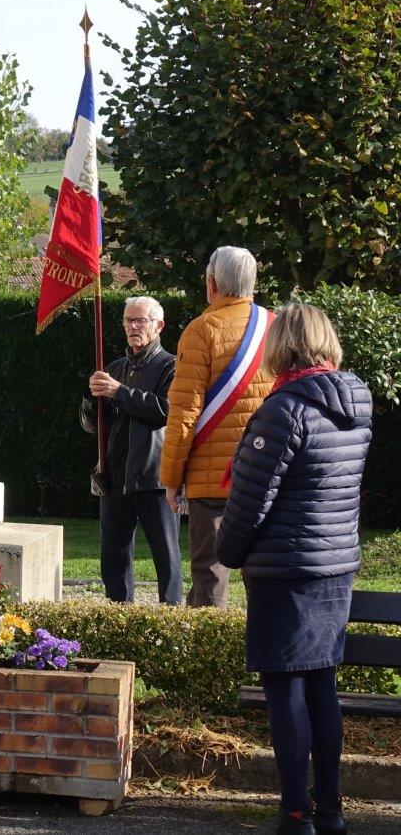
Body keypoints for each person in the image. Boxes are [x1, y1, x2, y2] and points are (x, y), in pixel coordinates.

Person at [216, 304, 369, 835]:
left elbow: (250, 501)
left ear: (281, 346)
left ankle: (295, 813)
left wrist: (228, 553)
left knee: (286, 694)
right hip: (334, 569)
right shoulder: (357, 403)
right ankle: (331, 810)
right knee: (322, 686)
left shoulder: (283, 409)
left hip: (284, 572)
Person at [160, 245, 274, 608]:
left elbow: (184, 413)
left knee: (210, 579)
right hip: (267, 473)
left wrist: (171, 479)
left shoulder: (201, 329)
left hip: (212, 480)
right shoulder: (276, 326)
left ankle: (206, 662)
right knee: (266, 576)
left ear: (212, 284)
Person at [81, 295, 182, 604]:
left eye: (141, 320)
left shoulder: (173, 366)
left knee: (166, 558)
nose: (133, 327)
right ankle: (119, 617)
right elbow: (91, 425)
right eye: (128, 320)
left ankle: (172, 618)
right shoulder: (114, 368)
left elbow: (166, 410)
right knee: (113, 558)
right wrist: (90, 399)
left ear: (159, 325)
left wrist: (119, 392)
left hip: (155, 477)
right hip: (115, 476)